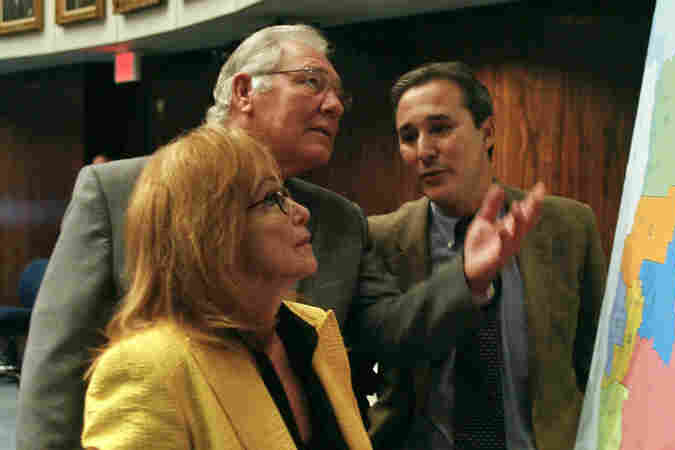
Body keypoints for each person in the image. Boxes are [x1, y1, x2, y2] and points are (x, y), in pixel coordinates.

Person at [18, 25, 537, 450]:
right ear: (245, 91)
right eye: (312, 82)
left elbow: (386, 332)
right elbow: (56, 372)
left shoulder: (336, 219)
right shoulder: (118, 193)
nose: (334, 105)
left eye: (339, 94)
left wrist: (467, 277)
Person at [81, 125, 371, 449]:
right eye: (272, 199)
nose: (301, 213)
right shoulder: (147, 369)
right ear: (210, 232)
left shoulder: (314, 330)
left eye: (286, 196)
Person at [367, 62, 607, 450]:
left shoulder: (567, 227)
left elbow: (596, 365)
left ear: (488, 131)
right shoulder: (380, 239)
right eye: (408, 136)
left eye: (440, 128)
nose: (424, 151)